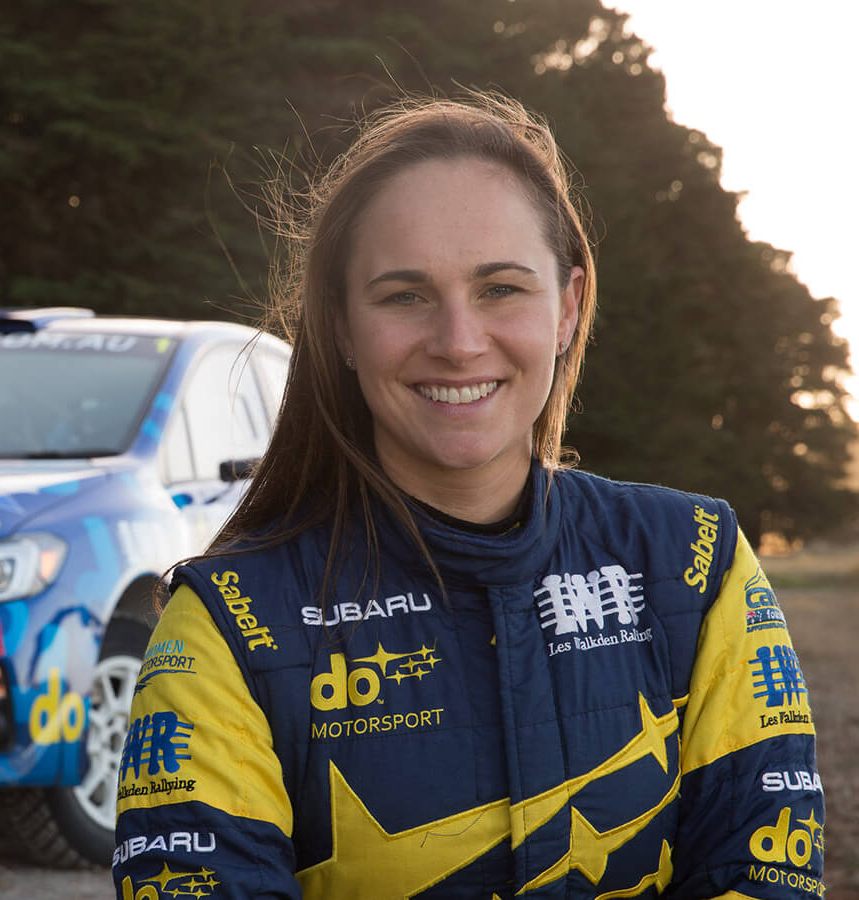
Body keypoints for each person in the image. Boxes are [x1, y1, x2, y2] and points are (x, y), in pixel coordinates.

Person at [112, 94, 825, 899]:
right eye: (404, 295)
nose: (457, 342)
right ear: (342, 328)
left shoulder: (696, 562)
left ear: (569, 307)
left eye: (500, 289)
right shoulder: (226, 625)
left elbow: (764, 875)